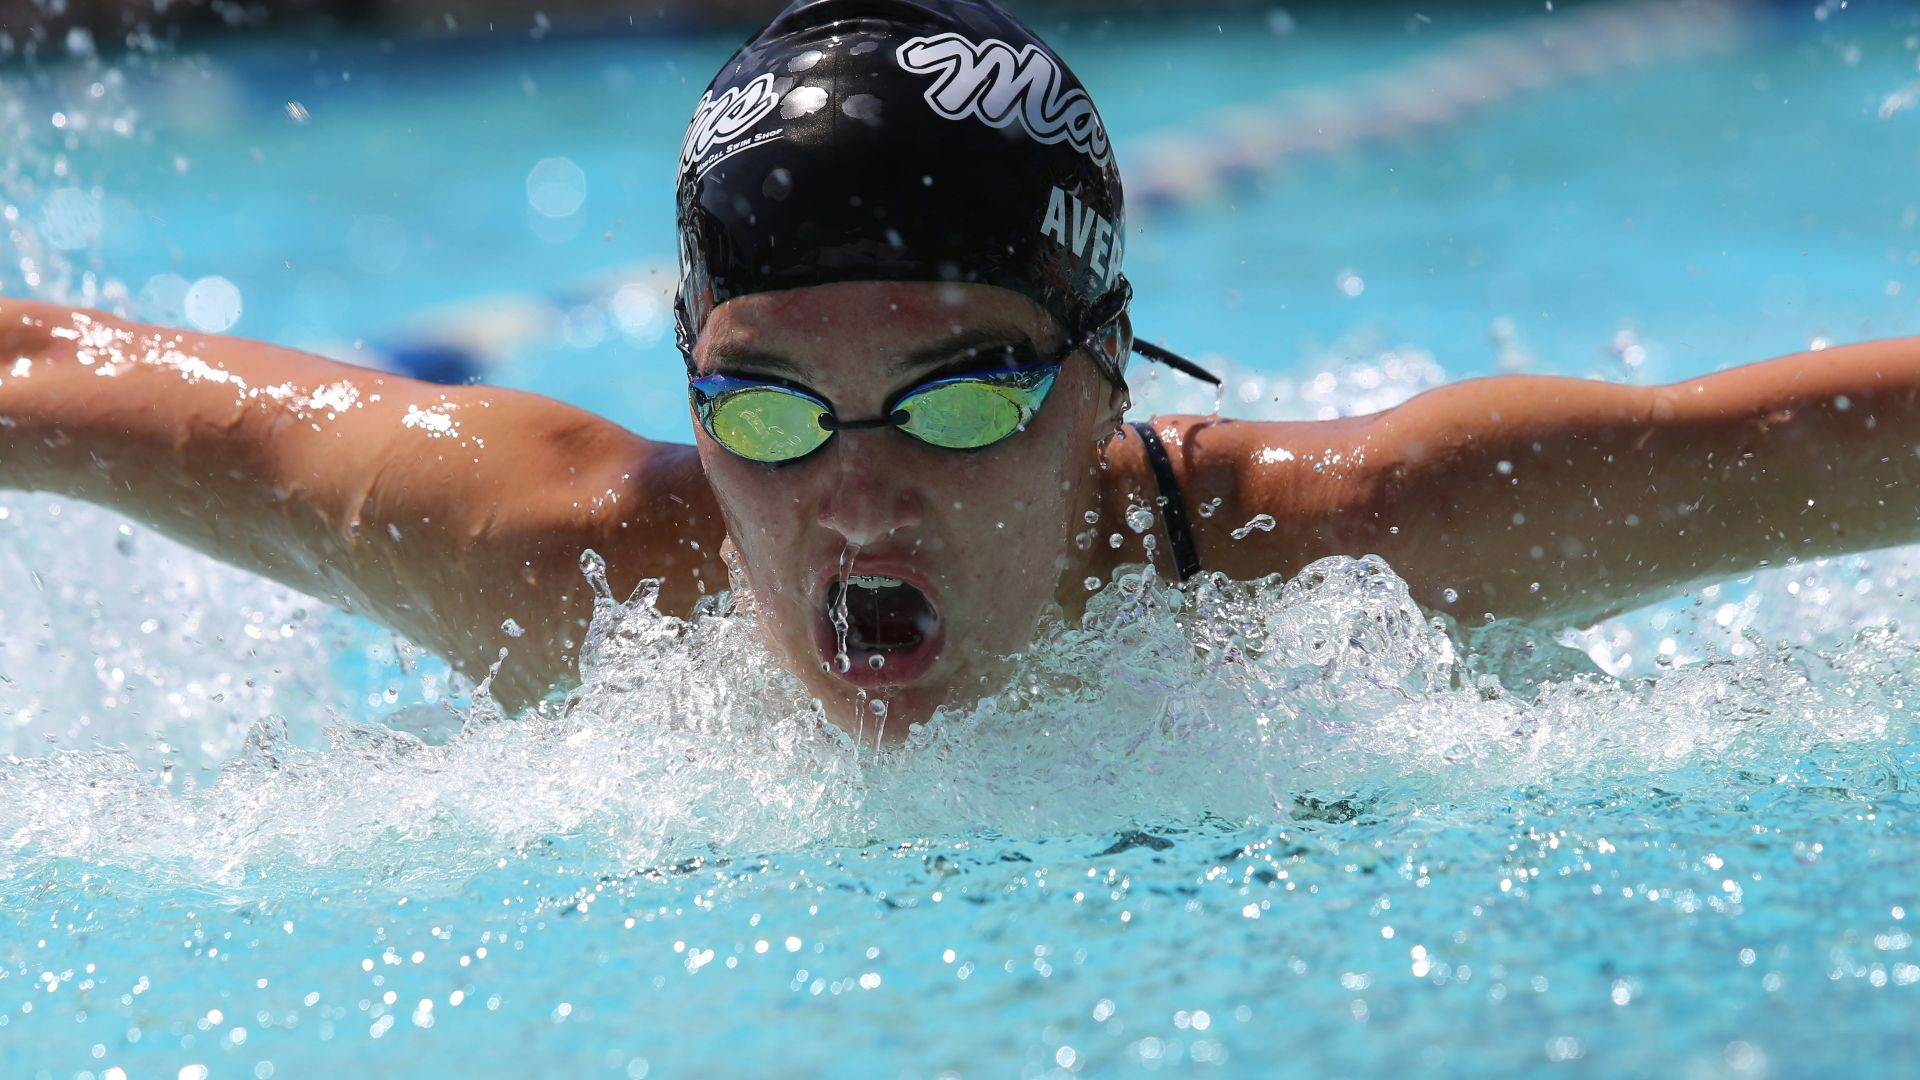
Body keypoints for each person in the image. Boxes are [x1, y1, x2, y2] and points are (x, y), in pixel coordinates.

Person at [3, 0, 1918, 738]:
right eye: (761, 402)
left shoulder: (1353, 558)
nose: (854, 491)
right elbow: (48, 373)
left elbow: (1812, 448)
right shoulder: (576, 569)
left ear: (1104, 388)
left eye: (960, 394)